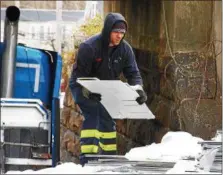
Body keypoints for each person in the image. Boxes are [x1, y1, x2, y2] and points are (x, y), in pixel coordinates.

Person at [69, 12, 147, 166]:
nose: (119, 36)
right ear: (107, 31)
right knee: (94, 113)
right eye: (116, 32)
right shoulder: (89, 47)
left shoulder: (125, 50)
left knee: (108, 117)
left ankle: (109, 157)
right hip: (82, 85)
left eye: (122, 33)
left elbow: (133, 73)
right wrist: (88, 91)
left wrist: (138, 89)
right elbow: (80, 76)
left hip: (106, 86)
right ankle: (88, 158)